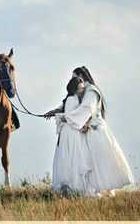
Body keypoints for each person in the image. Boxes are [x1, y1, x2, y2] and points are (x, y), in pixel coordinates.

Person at [46, 66, 134, 196]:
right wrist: (55, 112)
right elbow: (71, 105)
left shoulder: (91, 91)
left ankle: (102, 190)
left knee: (98, 162)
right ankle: (92, 189)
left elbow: (85, 110)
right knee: (92, 163)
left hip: (95, 131)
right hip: (86, 129)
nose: (72, 80)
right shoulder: (82, 91)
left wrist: (65, 117)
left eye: (74, 77)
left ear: (81, 76)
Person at [51, 76, 93, 195]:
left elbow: (72, 117)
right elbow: (70, 117)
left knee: (73, 157)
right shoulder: (71, 99)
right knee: (71, 156)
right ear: (75, 88)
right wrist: (81, 124)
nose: (82, 90)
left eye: (83, 88)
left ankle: (73, 185)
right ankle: (70, 185)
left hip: (73, 130)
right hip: (70, 132)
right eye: (80, 88)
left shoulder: (74, 98)